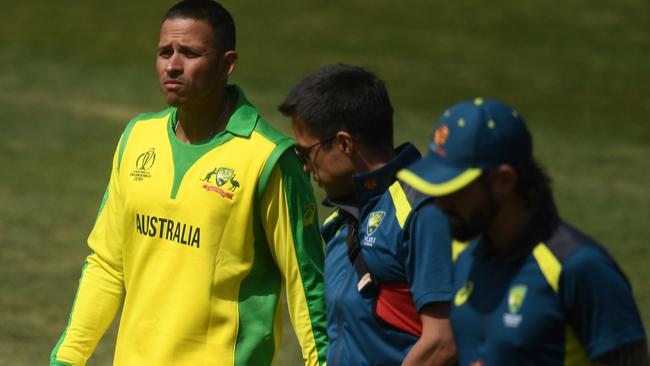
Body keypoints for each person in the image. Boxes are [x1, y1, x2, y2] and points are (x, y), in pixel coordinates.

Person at [50, 1, 327, 365]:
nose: (173, 66)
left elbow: (306, 287)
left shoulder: (269, 160)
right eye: (165, 52)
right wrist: (67, 358)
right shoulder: (138, 137)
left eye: (190, 53)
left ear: (227, 64)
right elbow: (107, 263)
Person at [397, 97, 649, 365]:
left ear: (503, 181)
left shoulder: (580, 269)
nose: (440, 202)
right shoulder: (466, 261)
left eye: (455, 189)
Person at [278, 63, 457, 366]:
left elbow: (443, 341)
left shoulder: (422, 212)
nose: (306, 168)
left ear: (344, 143)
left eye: (305, 153)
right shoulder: (340, 221)